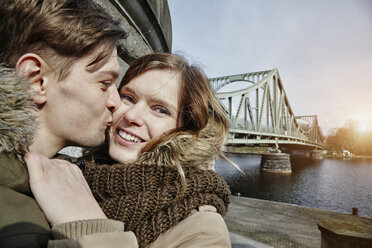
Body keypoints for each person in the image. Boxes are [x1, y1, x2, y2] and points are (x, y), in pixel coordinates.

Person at [26, 53, 232, 247]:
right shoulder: (67, 173)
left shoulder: (204, 230)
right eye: (128, 98)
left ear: (188, 130)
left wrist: (89, 227)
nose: (131, 116)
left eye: (159, 109)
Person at [0, 0, 130, 247]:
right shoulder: (17, 230)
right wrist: (95, 231)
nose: (116, 102)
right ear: (35, 81)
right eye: (105, 83)